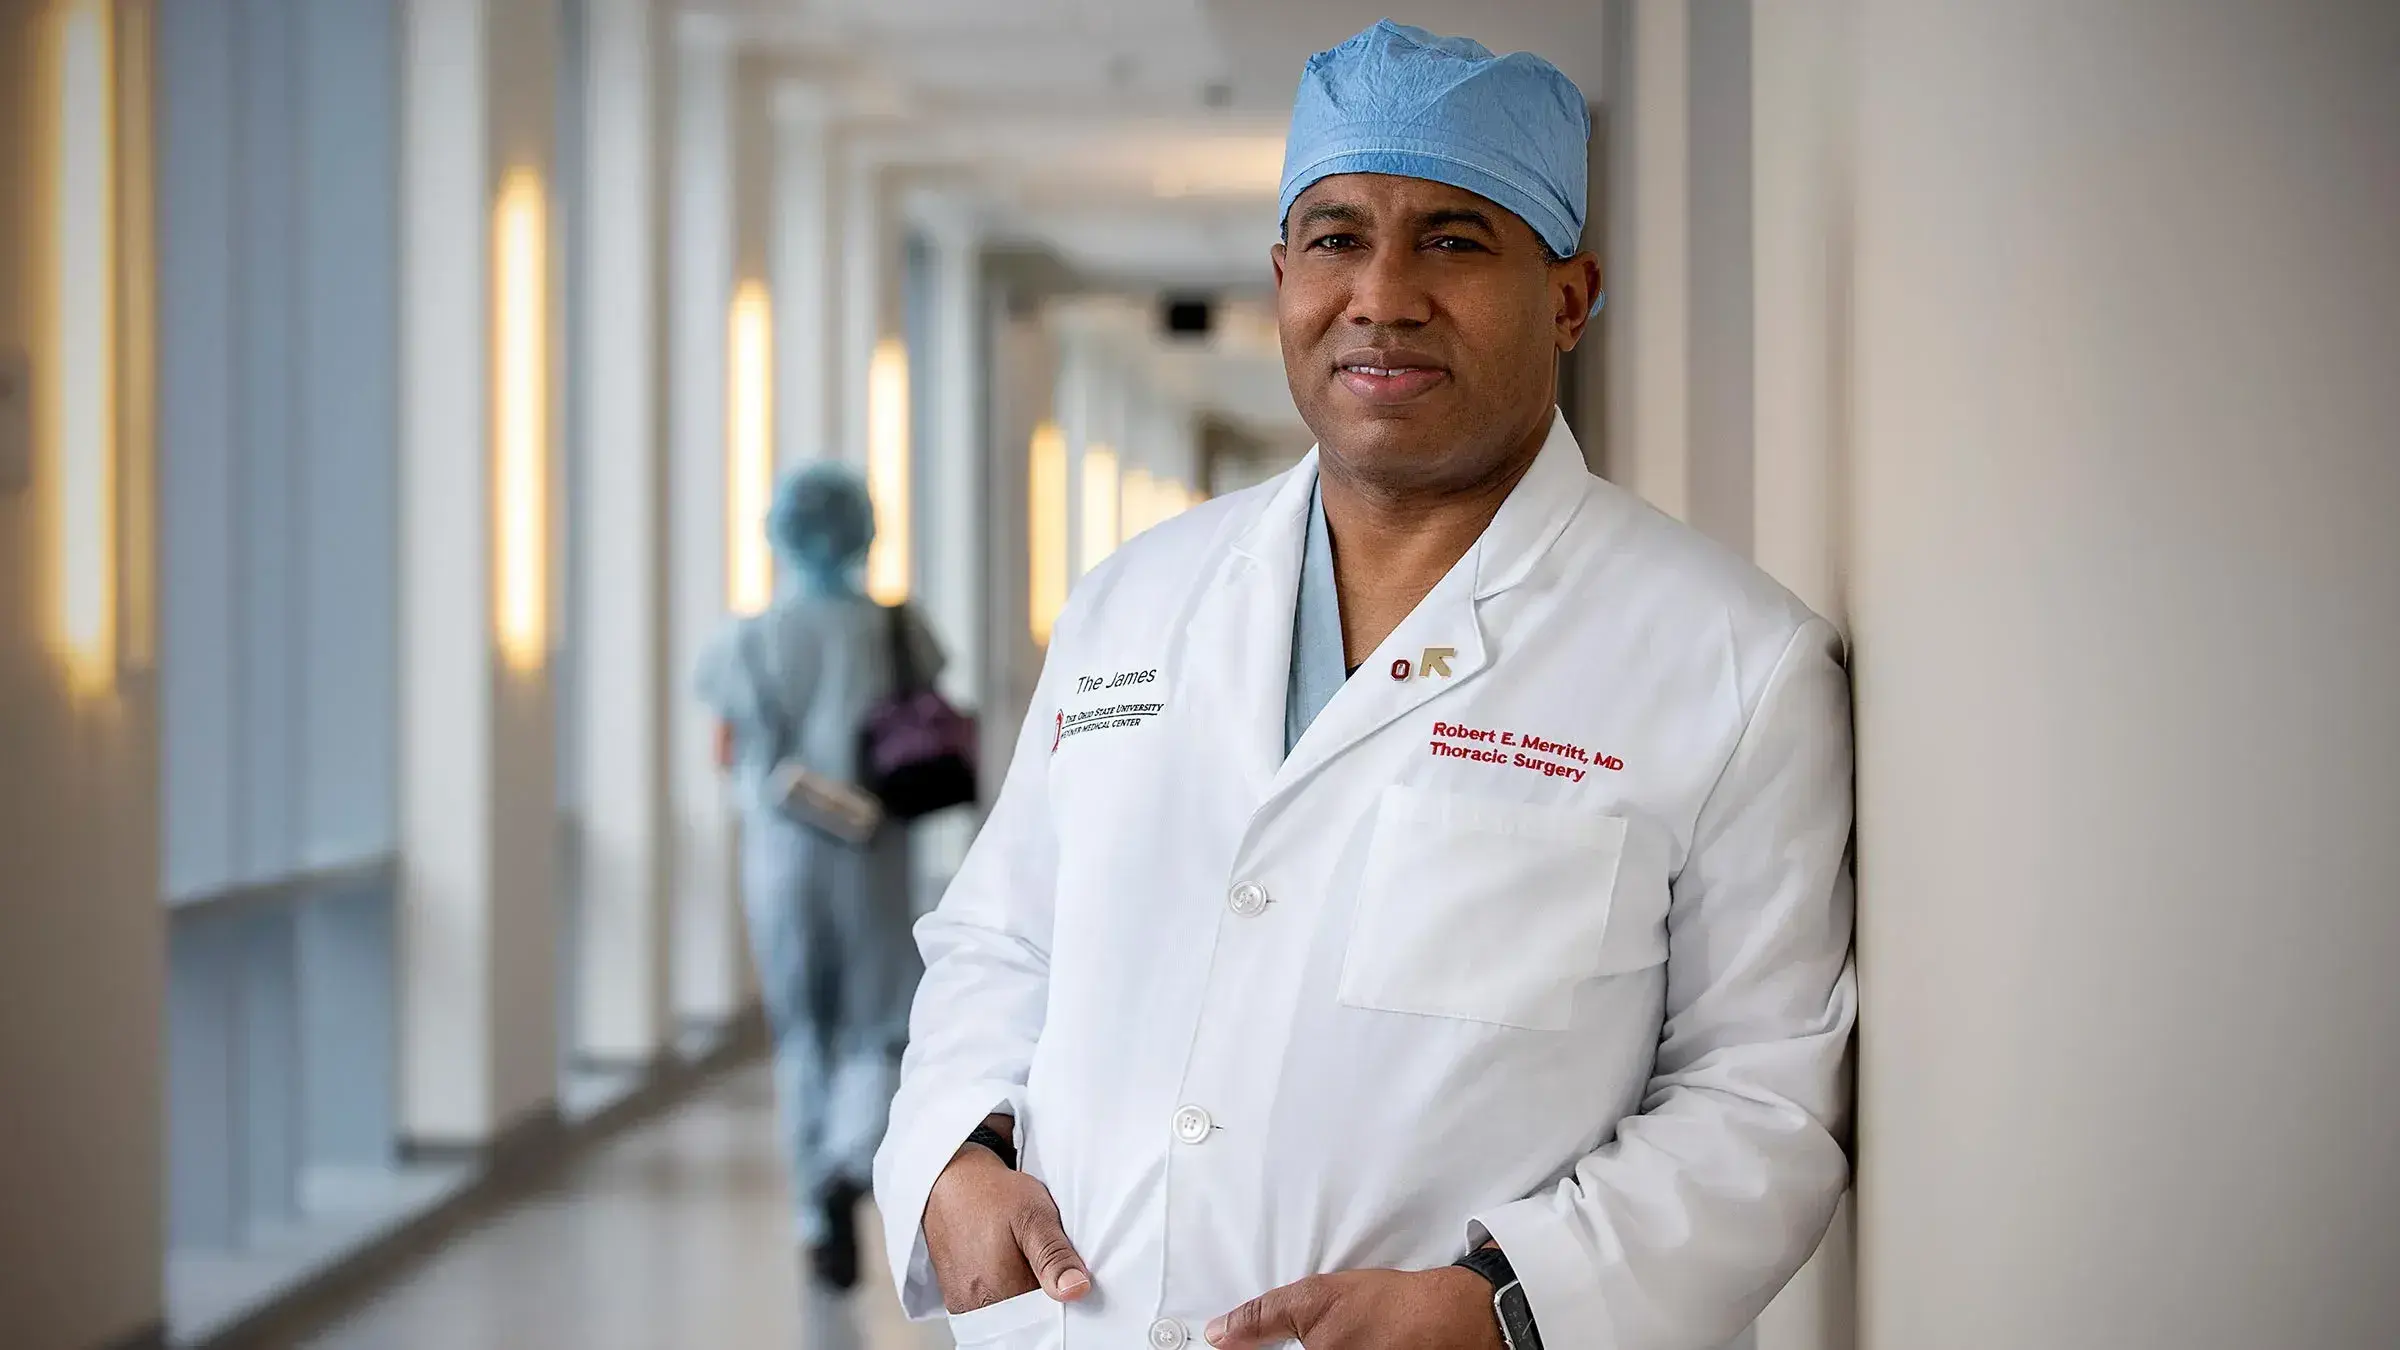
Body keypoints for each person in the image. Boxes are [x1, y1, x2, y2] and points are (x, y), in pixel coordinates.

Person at [875, 21, 1855, 1350]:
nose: (1382, 294)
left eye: (1455, 240)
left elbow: (1763, 1094)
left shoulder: (1729, 662)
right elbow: (1001, 940)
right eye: (1336, 238)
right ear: (1282, 275)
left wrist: (1506, 1303)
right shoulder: (1134, 599)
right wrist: (953, 1152)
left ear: (1570, 295)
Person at [695, 463, 943, 1296]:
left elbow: (731, 753)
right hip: (875, 849)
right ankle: (849, 1161)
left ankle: (814, 1212)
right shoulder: (896, 629)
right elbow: (925, 721)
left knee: (804, 1030)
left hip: (785, 855)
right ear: (865, 530)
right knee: (881, 1025)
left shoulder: (748, 640)